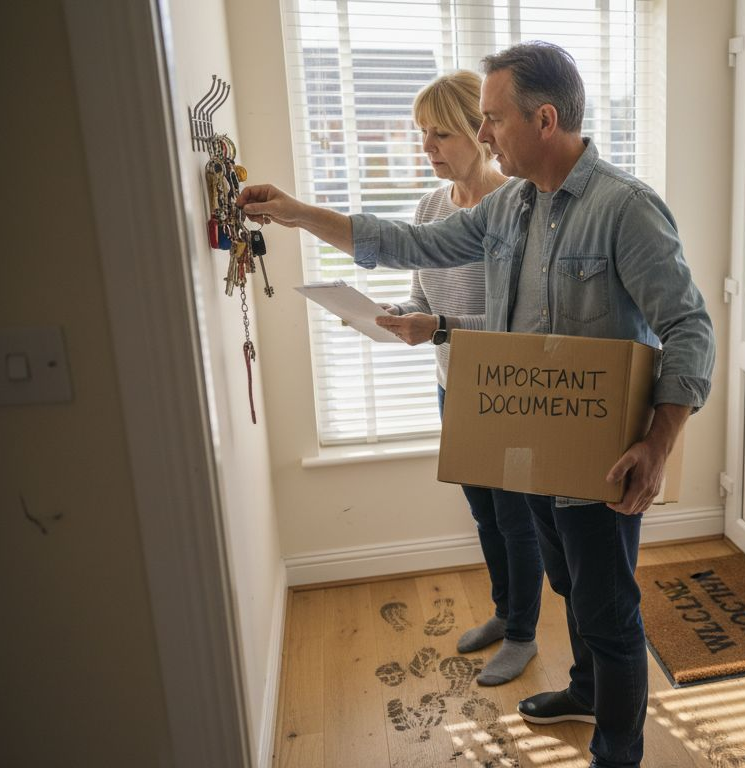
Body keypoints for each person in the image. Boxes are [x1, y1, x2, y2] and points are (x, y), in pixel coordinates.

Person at [239, 42, 715, 768]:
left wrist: (658, 445)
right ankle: (586, 690)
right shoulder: (510, 210)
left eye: (492, 120)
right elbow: (410, 241)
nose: (484, 134)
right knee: (565, 585)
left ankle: (618, 754)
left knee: (610, 616)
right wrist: (301, 215)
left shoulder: (626, 210)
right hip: (537, 455)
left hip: (604, 461)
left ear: (545, 119)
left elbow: (689, 327)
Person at [373, 70, 543, 687]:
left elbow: (516, 324)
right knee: (483, 512)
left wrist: (438, 324)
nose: (428, 148)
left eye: (439, 133)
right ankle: (506, 613)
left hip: (506, 390)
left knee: (517, 517)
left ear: (480, 130)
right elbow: (422, 289)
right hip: (453, 384)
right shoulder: (429, 207)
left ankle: (524, 634)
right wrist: (394, 315)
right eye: (422, 135)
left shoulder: (518, 208)